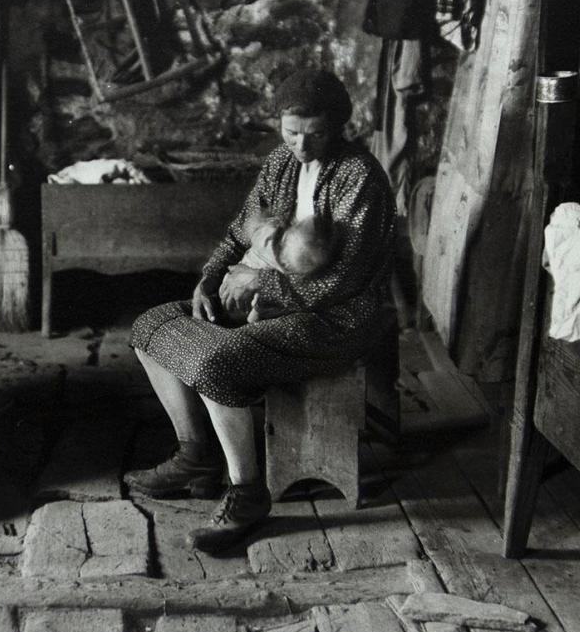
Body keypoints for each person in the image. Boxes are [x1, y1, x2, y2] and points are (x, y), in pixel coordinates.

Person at [125, 68, 397, 554]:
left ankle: (247, 494)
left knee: (217, 362)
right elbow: (239, 231)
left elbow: (346, 280)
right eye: (291, 132)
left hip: (338, 318)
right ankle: (195, 454)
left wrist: (261, 280)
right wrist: (210, 278)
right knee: (150, 326)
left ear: (337, 126)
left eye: (314, 134)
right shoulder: (279, 164)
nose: (301, 145)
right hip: (269, 301)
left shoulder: (361, 177)